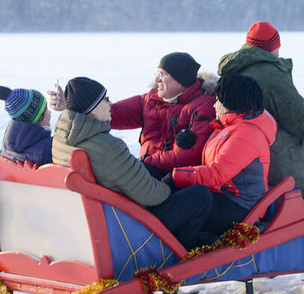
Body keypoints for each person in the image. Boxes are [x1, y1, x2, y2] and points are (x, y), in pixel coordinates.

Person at [51, 76, 210, 249]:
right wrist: (170, 183)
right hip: (127, 224)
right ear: (92, 109)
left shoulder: (61, 138)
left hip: (99, 215)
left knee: (149, 169)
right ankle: (178, 253)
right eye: (106, 100)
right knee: (199, 195)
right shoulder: (108, 147)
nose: (111, 104)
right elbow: (151, 195)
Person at [217, 21, 304, 209]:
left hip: (249, 165)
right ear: (274, 47)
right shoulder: (271, 74)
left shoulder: (233, 70)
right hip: (282, 166)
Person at [48, 52, 216, 176]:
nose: (157, 79)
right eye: (157, 73)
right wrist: (69, 105)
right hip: (145, 172)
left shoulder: (203, 106)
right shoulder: (150, 100)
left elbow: (190, 155)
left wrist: (143, 163)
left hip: (175, 177)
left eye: (163, 74)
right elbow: (109, 113)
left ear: (181, 79)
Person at [169, 74, 277, 243]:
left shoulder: (247, 133)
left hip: (240, 206)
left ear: (230, 103)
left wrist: (175, 177)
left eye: (218, 100)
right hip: (224, 195)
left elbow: (216, 174)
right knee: (182, 197)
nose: (214, 104)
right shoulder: (229, 126)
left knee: (192, 201)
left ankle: (180, 252)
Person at [0, 85, 53, 165]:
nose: (49, 112)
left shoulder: (6, 148)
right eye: (46, 109)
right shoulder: (48, 148)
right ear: (39, 117)